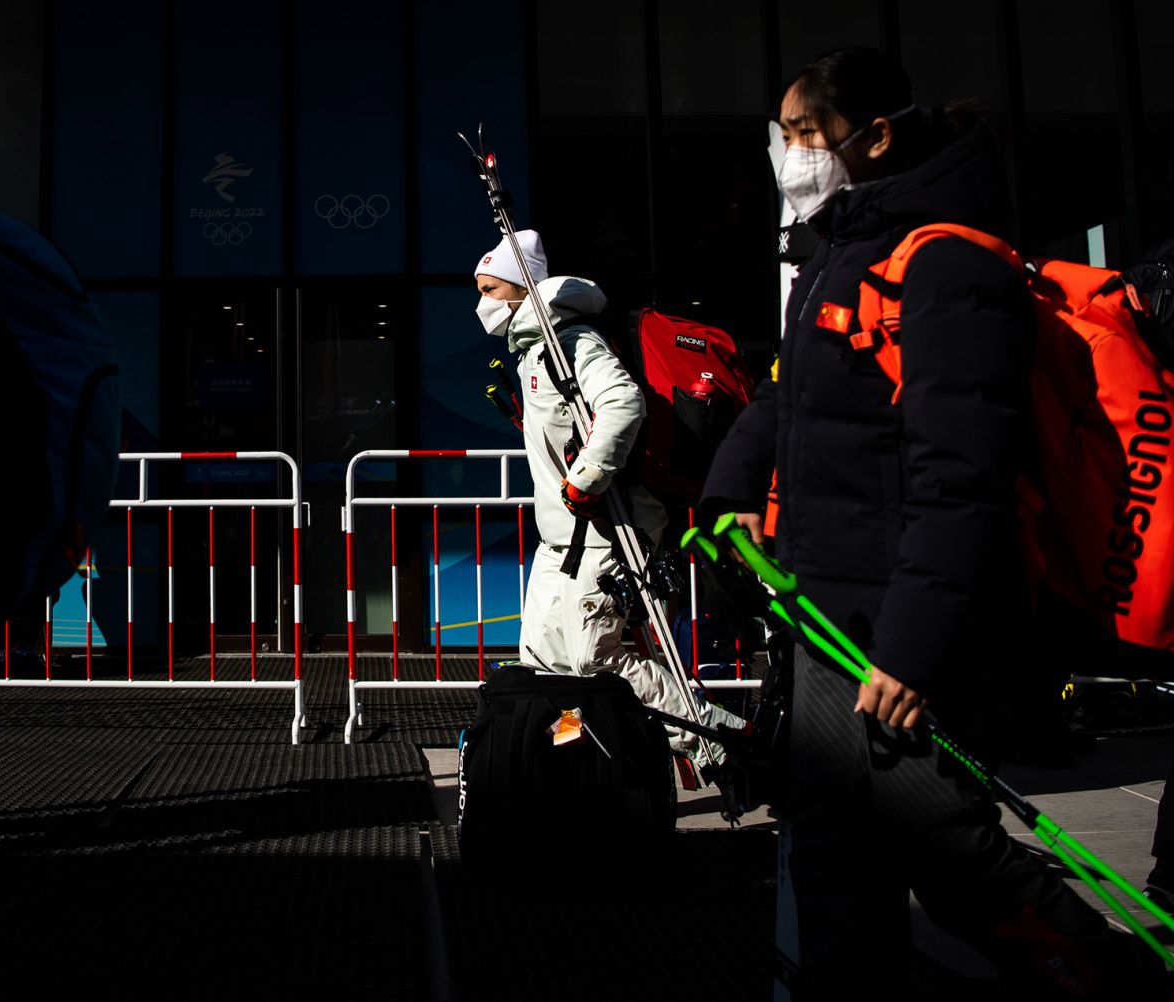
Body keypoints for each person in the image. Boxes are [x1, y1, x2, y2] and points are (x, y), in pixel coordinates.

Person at [701, 46, 1168, 998]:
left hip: (916, 633)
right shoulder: (839, 251)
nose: (789, 153)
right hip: (828, 617)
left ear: (872, 137)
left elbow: (965, 476)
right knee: (834, 858)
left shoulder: (949, 262)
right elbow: (788, 399)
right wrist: (727, 490)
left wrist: (913, 651)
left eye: (804, 132)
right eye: (782, 133)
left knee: (949, 853)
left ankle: (1121, 981)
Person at [476, 229, 744, 776]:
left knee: (594, 658)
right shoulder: (534, 348)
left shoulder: (572, 341)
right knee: (544, 660)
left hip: (605, 531)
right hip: (563, 539)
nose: (480, 303)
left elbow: (622, 402)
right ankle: (572, 767)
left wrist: (587, 478)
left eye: (488, 288)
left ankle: (722, 738)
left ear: (521, 288)